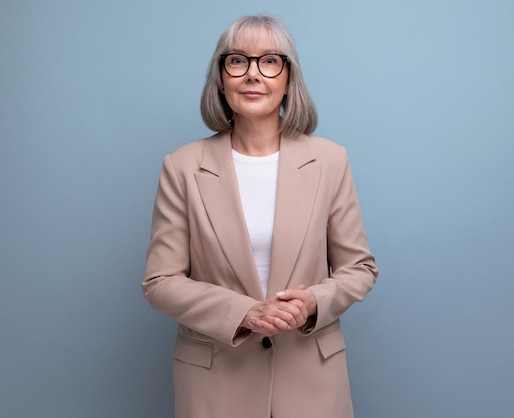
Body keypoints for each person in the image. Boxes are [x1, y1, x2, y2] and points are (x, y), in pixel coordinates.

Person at [142, 14, 378, 418]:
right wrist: (244, 312)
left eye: (269, 61)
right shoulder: (182, 166)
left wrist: (313, 303)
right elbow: (160, 282)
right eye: (238, 61)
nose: (253, 74)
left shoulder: (329, 160)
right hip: (215, 383)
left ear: (289, 78)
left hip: (311, 378)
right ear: (221, 77)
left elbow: (359, 268)